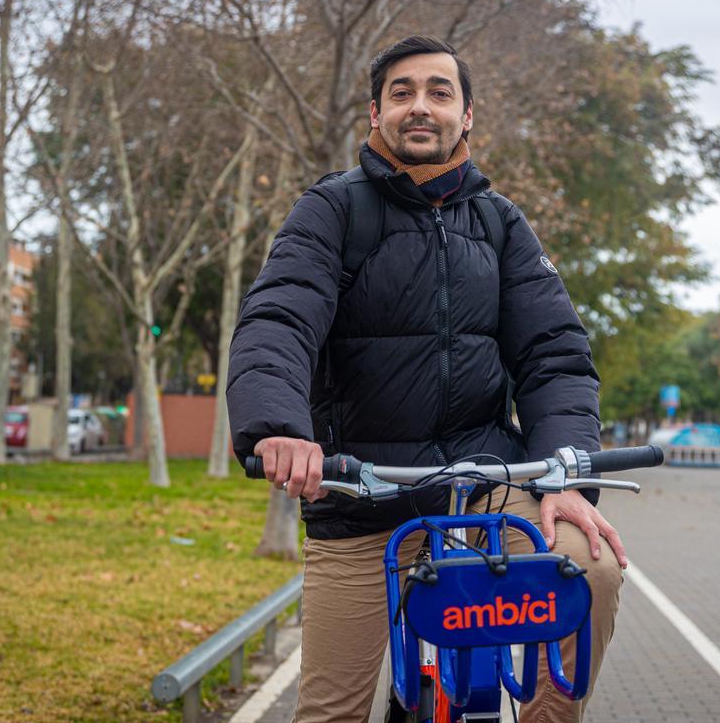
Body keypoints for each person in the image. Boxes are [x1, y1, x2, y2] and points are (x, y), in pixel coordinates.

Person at [227, 36, 625, 723]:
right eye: (402, 92)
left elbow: (554, 354)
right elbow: (279, 318)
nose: (421, 106)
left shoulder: (500, 225)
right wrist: (279, 430)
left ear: (466, 115)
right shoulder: (332, 211)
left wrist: (564, 476)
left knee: (590, 567)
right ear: (375, 113)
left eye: (440, 92)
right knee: (329, 711)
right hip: (361, 494)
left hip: (486, 488)